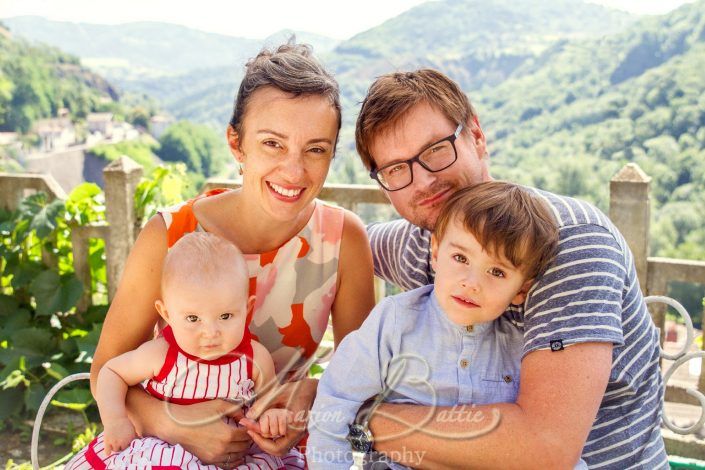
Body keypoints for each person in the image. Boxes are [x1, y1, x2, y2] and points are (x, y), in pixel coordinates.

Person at [354, 69, 666, 468]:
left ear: (477, 136)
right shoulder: (419, 240)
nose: (424, 181)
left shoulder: (567, 243)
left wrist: (358, 413)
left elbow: (543, 449)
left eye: (435, 149)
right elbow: (339, 241)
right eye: (396, 169)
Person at [89, 42, 375, 468]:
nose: (294, 172)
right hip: (165, 448)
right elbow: (105, 371)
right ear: (236, 144)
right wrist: (175, 424)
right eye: (273, 144)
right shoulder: (170, 235)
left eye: (315, 149)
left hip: (274, 450)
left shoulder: (343, 239)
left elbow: (362, 379)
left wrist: (307, 399)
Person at [306, 182, 597, 469]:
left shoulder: (522, 348)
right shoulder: (396, 321)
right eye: (460, 258)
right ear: (435, 252)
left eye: (496, 272)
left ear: (522, 289)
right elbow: (337, 398)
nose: (471, 283)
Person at [67, 232, 304, 469]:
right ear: (167, 314)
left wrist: (273, 418)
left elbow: (269, 402)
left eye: (225, 316)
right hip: (164, 451)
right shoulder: (161, 354)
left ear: (247, 309)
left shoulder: (254, 358)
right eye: (193, 318)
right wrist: (116, 420)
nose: (210, 332)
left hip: (233, 456)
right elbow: (111, 372)